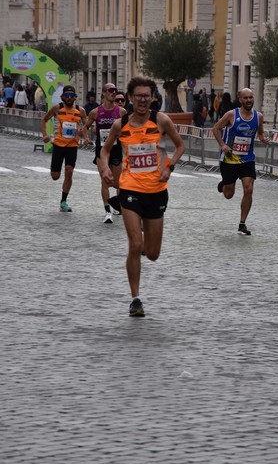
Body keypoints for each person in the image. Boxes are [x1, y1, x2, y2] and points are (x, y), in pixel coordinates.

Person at [100, 75, 185, 317]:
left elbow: (180, 146)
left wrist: (170, 167)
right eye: (138, 96)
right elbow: (105, 150)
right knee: (135, 245)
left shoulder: (162, 121)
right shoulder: (121, 124)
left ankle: (146, 239)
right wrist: (105, 168)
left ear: (153, 98)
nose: (142, 100)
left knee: (153, 254)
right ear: (130, 98)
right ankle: (135, 298)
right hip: (129, 189)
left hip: (157, 191)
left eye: (147, 96)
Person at [212, 87, 270, 235]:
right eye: (246, 98)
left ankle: (242, 223)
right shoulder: (231, 115)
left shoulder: (258, 117)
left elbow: (260, 133)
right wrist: (223, 145)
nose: (249, 100)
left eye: (251, 97)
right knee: (228, 194)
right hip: (230, 158)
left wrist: (263, 138)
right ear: (240, 100)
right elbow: (216, 128)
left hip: (247, 158)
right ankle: (225, 183)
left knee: (248, 188)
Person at [40, 85, 89, 212]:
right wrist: (45, 135)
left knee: (69, 171)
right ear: (62, 97)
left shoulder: (80, 110)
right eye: (66, 95)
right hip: (58, 145)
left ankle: (63, 201)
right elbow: (44, 120)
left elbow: (86, 125)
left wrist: (87, 137)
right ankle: (56, 173)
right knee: (55, 176)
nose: (69, 98)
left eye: (71, 96)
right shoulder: (57, 108)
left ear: (74, 97)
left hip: (72, 146)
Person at [85, 83, 126, 223]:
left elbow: (129, 129)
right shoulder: (95, 112)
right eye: (110, 90)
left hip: (116, 149)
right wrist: (86, 137)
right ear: (103, 93)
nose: (114, 93)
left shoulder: (121, 112)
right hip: (101, 150)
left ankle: (118, 205)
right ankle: (107, 212)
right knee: (105, 180)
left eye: (115, 90)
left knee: (117, 183)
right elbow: (85, 127)